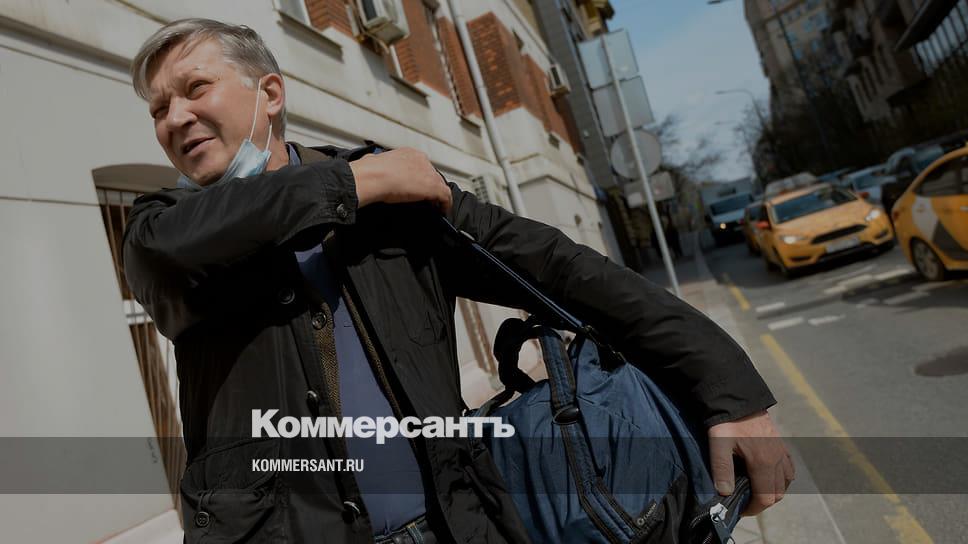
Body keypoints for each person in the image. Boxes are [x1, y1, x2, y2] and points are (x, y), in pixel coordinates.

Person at [122, 19, 793, 544]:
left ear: (269, 93)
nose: (173, 118)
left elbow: (561, 269)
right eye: (158, 109)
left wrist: (728, 390)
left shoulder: (396, 206)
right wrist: (362, 178)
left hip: (457, 525)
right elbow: (192, 239)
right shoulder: (163, 230)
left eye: (194, 88)